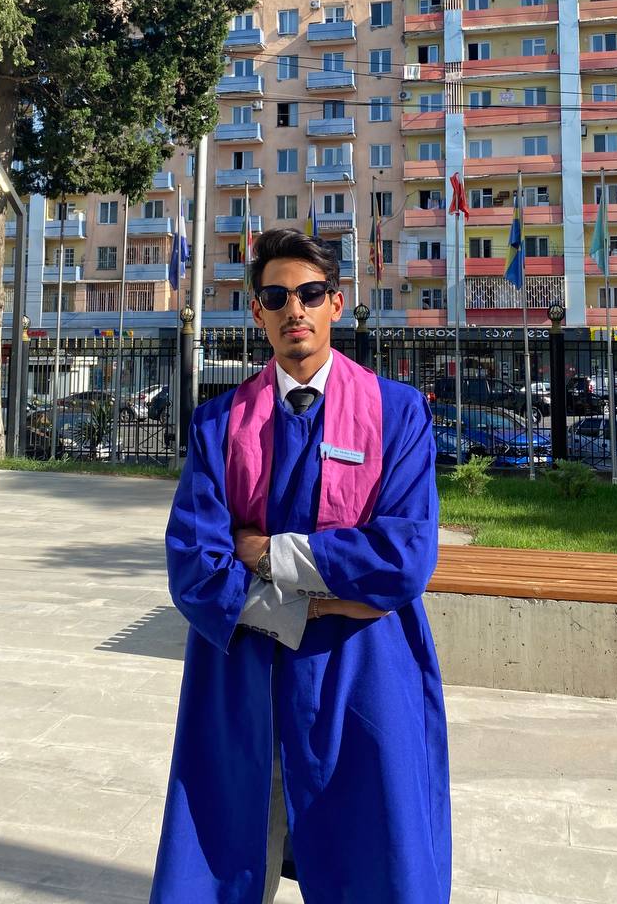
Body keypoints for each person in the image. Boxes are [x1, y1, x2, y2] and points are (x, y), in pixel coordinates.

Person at [152, 229, 451, 903]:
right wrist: (314, 605)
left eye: (311, 294)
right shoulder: (218, 424)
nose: (296, 309)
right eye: (277, 296)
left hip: (363, 672)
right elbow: (195, 569)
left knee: (370, 857)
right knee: (230, 851)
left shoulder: (397, 413)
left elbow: (403, 557)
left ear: (336, 304)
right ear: (256, 311)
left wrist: (265, 552)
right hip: (243, 672)